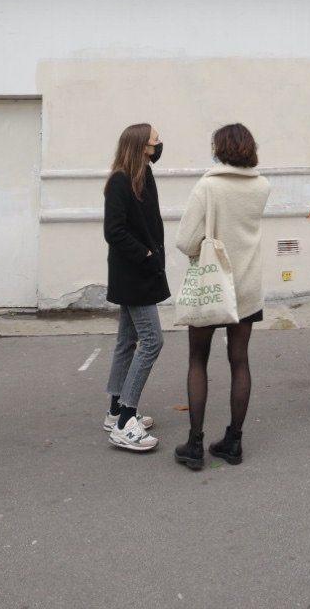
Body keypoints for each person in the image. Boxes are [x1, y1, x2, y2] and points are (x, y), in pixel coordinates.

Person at [171, 124, 272, 472]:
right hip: (247, 287)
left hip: (212, 285)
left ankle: (195, 444)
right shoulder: (262, 186)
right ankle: (234, 441)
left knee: (198, 360)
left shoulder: (208, 186)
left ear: (220, 148)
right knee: (239, 361)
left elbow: (186, 240)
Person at [103, 123, 170, 452]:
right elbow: (113, 231)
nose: (159, 144)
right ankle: (125, 420)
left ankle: (115, 409)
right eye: (155, 140)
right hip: (133, 275)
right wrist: (145, 255)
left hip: (143, 271)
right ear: (141, 145)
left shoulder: (144, 174)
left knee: (127, 341)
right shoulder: (119, 180)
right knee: (152, 341)